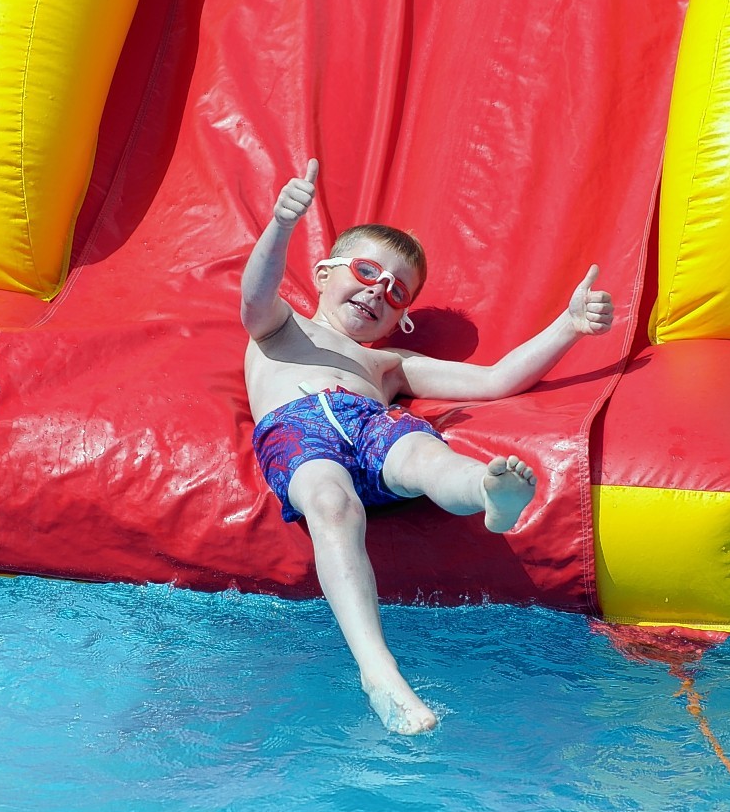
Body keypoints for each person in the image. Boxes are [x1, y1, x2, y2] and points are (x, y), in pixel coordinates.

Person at [241, 158, 614, 735]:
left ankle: (487, 494)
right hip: (299, 431)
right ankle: (379, 670)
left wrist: (568, 324)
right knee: (331, 502)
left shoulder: (392, 363)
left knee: (426, 457)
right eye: (366, 272)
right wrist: (282, 223)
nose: (378, 293)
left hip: (372, 421)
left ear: (403, 318)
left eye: (397, 293)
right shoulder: (279, 325)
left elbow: (494, 381)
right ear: (322, 273)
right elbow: (254, 293)